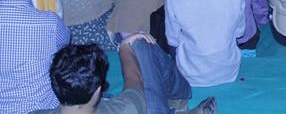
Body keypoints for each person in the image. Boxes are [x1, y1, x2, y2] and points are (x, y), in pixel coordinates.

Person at [37, 40, 215, 114]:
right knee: (141, 45)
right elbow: (134, 79)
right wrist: (125, 47)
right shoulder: (125, 107)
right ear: (98, 88)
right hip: (144, 105)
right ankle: (178, 103)